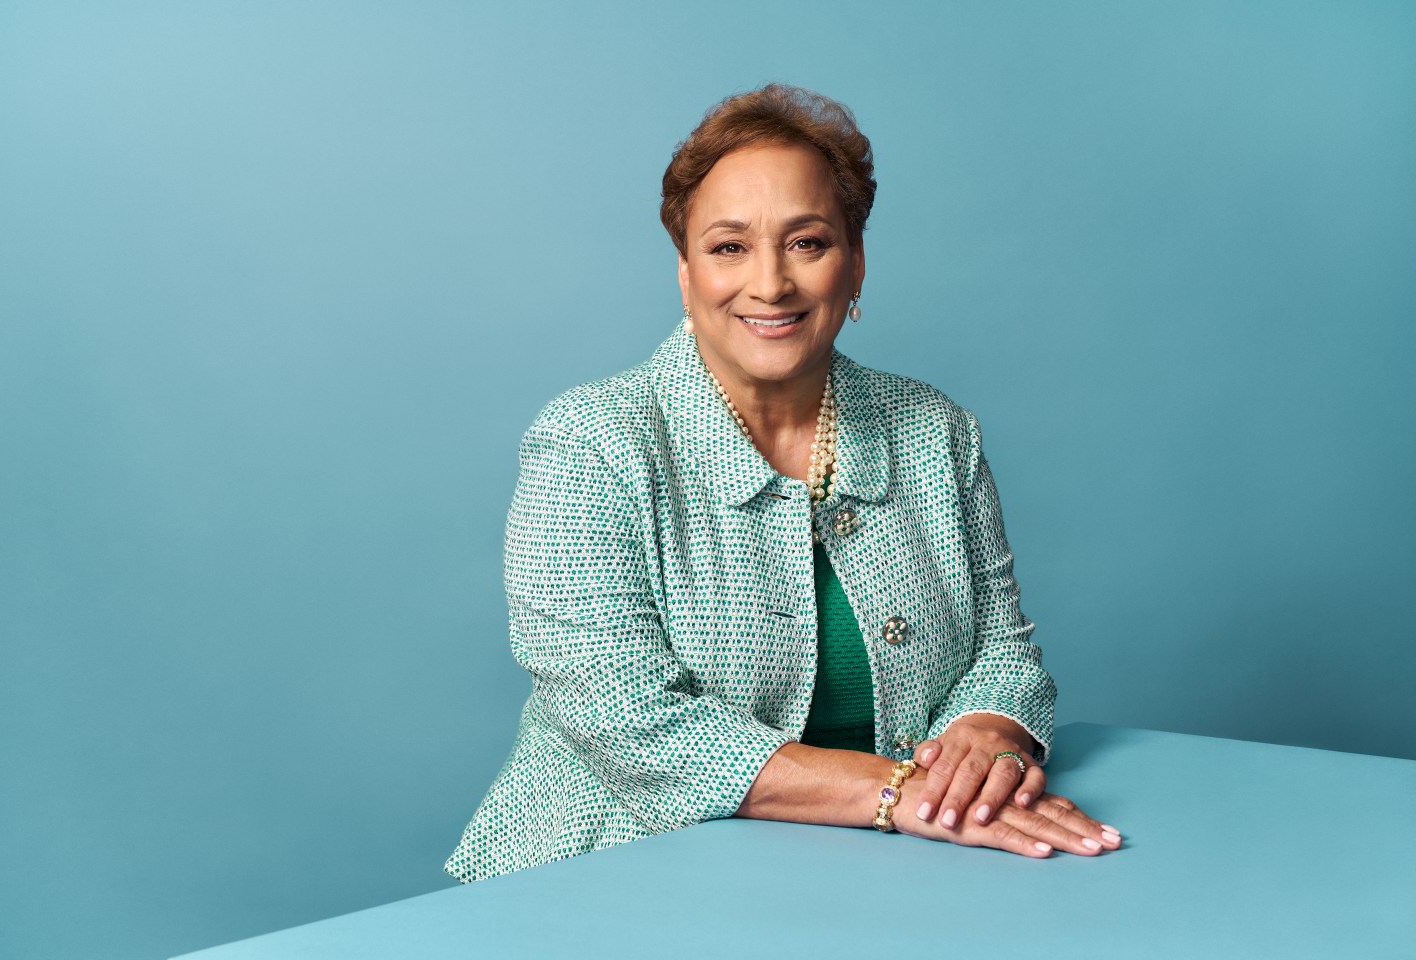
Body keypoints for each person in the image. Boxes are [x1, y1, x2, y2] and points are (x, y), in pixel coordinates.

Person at [445, 84, 1119, 883]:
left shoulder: (935, 431)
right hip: (614, 874)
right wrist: (898, 790)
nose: (770, 284)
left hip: (878, 878)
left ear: (855, 263)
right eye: (729, 247)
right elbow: (622, 716)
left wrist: (987, 733)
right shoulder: (590, 444)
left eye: (806, 242)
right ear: (686, 273)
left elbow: (1003, 649)